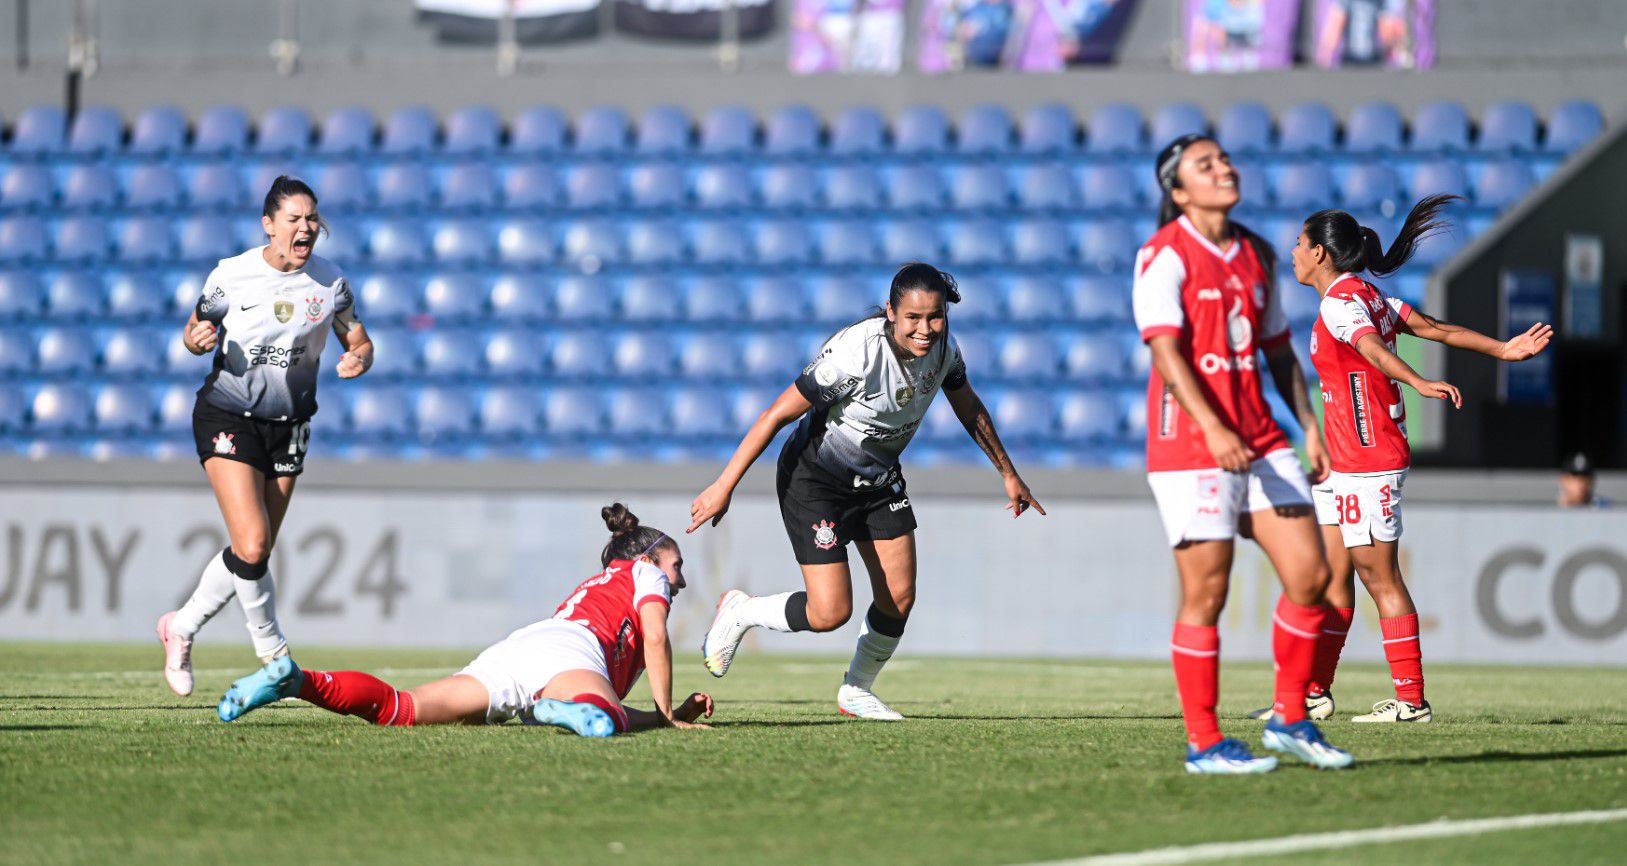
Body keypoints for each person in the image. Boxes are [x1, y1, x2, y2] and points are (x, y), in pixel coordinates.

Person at [687, 263, 1045, 720]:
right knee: (829, 612)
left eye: (935, 317)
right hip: (814, 480)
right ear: (892, 313)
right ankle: (743, 611)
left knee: (899, 596)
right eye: (913, 317)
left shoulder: (945, 353)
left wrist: (1008, 473)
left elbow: (969, 406)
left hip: (877, 481)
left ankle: (856, 690)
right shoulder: (855, 354)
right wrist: (724, 485)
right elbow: (776, 413)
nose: (925, 329)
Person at [1271, 197, 1551, 724]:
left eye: (1301, 243)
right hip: (1342, 463)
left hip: (1368, 458)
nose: (1294, 252)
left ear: (1321, 255)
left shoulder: (1343, 305)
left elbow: (1374, 348)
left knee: (1381, 578)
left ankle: (1410, 700)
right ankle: (1313, 693)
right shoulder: (1368, 295)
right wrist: (1502, 349)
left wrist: (1418, 380)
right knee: (1333, 577)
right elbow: (1434, 328)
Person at [1134, 134, 1352, 773]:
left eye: (1225, 158)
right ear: (1178, 191)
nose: (1223, 168)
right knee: (1208, 590)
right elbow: (1166, 354)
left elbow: (1279, 350)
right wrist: (1214, 427)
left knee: (1311, 575)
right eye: (1206, 165)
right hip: (1192, 444)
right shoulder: (1163, 255)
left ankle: (1290, 719)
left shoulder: (1256, 252)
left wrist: (1307, 426)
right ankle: (1203, 743)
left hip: (1259, 436)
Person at [215, 504, 716, 736]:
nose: (680, 580)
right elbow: (654, 636)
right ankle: (554, 709)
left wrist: (669, 719)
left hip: (519, 649)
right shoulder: (645, 574)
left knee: (401, 707)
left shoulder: (601, 582)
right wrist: (668, 711)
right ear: (651, 559)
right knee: (604, 722)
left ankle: (297, 680)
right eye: (678, 567)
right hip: (571, 653)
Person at [155, 176, 374, 698]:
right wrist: (196, 338)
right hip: (228, 413)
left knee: (253, 551)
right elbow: (193, 331)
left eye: (312, 218)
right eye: (294, 219)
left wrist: (358, 359)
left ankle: (180, 626)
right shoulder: (232, 276)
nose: (306, 228)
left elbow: (360, 339)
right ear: (268, 225)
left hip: (290, 424)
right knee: (252, 542)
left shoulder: (331, 283)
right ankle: (273, 654)